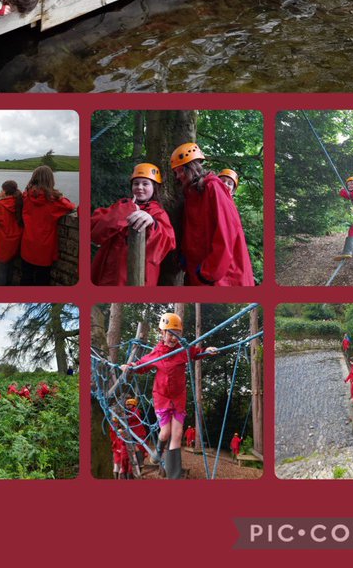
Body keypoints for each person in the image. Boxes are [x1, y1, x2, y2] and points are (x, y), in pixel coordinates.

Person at [122, 312, 217, 480]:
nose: (174, 338)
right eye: (170, 333)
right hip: (162, 397)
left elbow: (196, 352)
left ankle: (174, 477)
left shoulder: (183, 350)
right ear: (162, 333)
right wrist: (129, 366)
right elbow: (141, 365)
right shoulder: (158, 353)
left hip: (179, 397)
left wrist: (206, 351)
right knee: (165, 433)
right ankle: (158, 451)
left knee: (178, 434)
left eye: (177, 334)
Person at [169, 143, 255, 286]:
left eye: (180, 171)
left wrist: (209, 271)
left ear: (191, 169)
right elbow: (193, 232)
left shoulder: (213, 187)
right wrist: (185, 256)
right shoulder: (192, 194)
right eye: (176, 173)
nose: (178, 177)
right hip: (200, 273)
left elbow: (227, 232)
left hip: (224, 277)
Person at [90, 163, 176, 286]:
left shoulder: (158, 213)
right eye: (136, 183)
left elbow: (168, 241)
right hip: (107, 274)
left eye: (145, 183)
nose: (139, 187)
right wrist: (125, 210)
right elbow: (96, 231)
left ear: (154, 187)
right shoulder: (122, 205)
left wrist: (152, 222)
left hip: (136, 278)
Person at [20, 165, 77, 285]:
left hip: (27, 242)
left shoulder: (26, 196)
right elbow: (71, 207)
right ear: (50, 179)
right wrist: (60, 197)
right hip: (44, 246)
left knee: (26, 276)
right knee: (42, 278)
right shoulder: (53, 201)